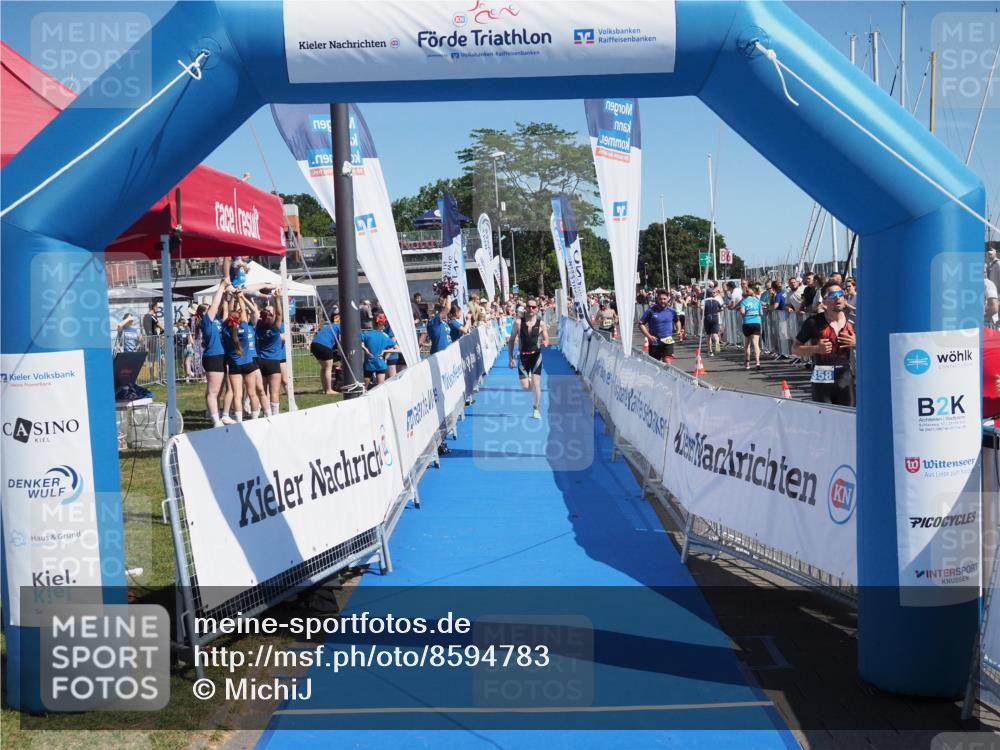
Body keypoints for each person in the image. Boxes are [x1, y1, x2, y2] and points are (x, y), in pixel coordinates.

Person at [792, 280, 856, 406]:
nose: (838, 297)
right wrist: (816, 349)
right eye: (832, 295)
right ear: (825, 301)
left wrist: (856, 343)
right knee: (824, 417)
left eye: (840, 293)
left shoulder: (853, 320)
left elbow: (872, 346)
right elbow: (795, 348)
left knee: (848, 418)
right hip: (822, 372)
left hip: (845, 373)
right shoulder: (813, 322)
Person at [507, 297, 549, 419]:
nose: (531, 309)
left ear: (537, 309)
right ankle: (528, 378)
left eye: (533, 307)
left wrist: (545, 342)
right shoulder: (518, 323)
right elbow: (511, 340)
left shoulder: (541, 323)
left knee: (536, 384)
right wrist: (510, 357)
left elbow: (546, 338)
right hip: (523, 357)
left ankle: (536, 409)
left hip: (536, 356)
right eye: (529, 306)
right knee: (525, 387)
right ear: (525, 308)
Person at [196, 280, 228, 427]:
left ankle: (215, 413)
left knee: (218, 390)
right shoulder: (206, 321)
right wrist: (221, 286)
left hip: (220, 356)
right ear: (204, 312)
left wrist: (227, 296)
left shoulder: (215, 321)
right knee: (213, 391)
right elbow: (215, 305)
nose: (211, 308)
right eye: (207, 308)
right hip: (213, 356)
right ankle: (216, 421)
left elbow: (221, 308)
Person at [256, 289, 286, 416]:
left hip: (260, 361)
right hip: (273, 362)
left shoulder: (257, 326)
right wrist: (277, 299)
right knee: (274, 392)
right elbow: (279, 315)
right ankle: (275, 414)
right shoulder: (274, 329)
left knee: (263, 390)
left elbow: (255, 312)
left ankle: (266, 413)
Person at [360, 314, 400, 388]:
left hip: (369, 363)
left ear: (373, 323)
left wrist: (366, 350)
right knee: (380, 387)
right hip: (380, 363)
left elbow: (358, 343)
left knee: (364, 388)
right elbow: (398, 349)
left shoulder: (366, 334)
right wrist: (384, 351)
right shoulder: (385, 336)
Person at [639, 289, 678, 363]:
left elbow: (677, 321)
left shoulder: (672, 311)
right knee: (655, 366)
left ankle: (666, 374)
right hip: (655, 343)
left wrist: (679, 330)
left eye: (664, 299)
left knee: (667, 362)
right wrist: (649, 336)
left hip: (668, 341)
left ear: (668, 299)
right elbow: (641, 324)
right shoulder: (651, 311)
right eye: (660, 299)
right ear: (657, 299)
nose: (662, 301)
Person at [310, 311, 341, 395]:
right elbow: (341, 342)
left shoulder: (329, 326)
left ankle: (325, 389)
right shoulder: (340, 326)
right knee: (328, 368)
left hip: (314, 344)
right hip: (324, 345)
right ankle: (329, 390)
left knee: (324, 368)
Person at [738, 285, 763, 370]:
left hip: (747, 322)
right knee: (756, 344)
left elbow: (742, 312)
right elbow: (761, 313)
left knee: (747, 344)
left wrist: (743, 313)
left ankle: (747, 363)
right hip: (756, 322)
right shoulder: (757, 301)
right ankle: (757, 363)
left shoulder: (744, 302)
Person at [701, 285, 723, 356]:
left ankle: (710, 351)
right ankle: (717, 348)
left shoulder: (703, 301)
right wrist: (716, 311)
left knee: (708, 335)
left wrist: (703, 312)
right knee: (715, 334)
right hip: (715, 317)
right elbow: (721, 308)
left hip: (707, 317)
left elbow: (701, 309)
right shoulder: (716, 300)